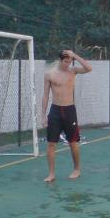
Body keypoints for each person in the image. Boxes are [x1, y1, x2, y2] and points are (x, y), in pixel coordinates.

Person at [41, 50, 92, 182]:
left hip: (69, 110)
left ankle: (77, 169)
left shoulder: (73, 71)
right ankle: (51, 174)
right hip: (55, 111)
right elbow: (45, 95)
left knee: (72, 142)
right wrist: (43, 115)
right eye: (65, 61)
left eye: (70, 61)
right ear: (60, 60)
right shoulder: (49, 74)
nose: (67, 64)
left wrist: (75, 55)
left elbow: (89, 68)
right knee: (51, 143)